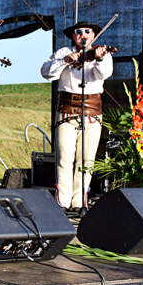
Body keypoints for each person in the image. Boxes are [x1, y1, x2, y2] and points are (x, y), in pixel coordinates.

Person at [41, 21, 112, 213]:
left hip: (92, 112)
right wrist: (65, 61)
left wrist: (98, 59)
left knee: (86, 160)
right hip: (67, 110)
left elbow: (104, 73)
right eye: (78, 32)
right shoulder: (63, 53)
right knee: (64, 158)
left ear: (93, 36)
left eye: (87, 32)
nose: (83, 34)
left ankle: (80, 201)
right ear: (73, 36)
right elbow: (46, 73)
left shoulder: (102, 53)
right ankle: (62, 202)